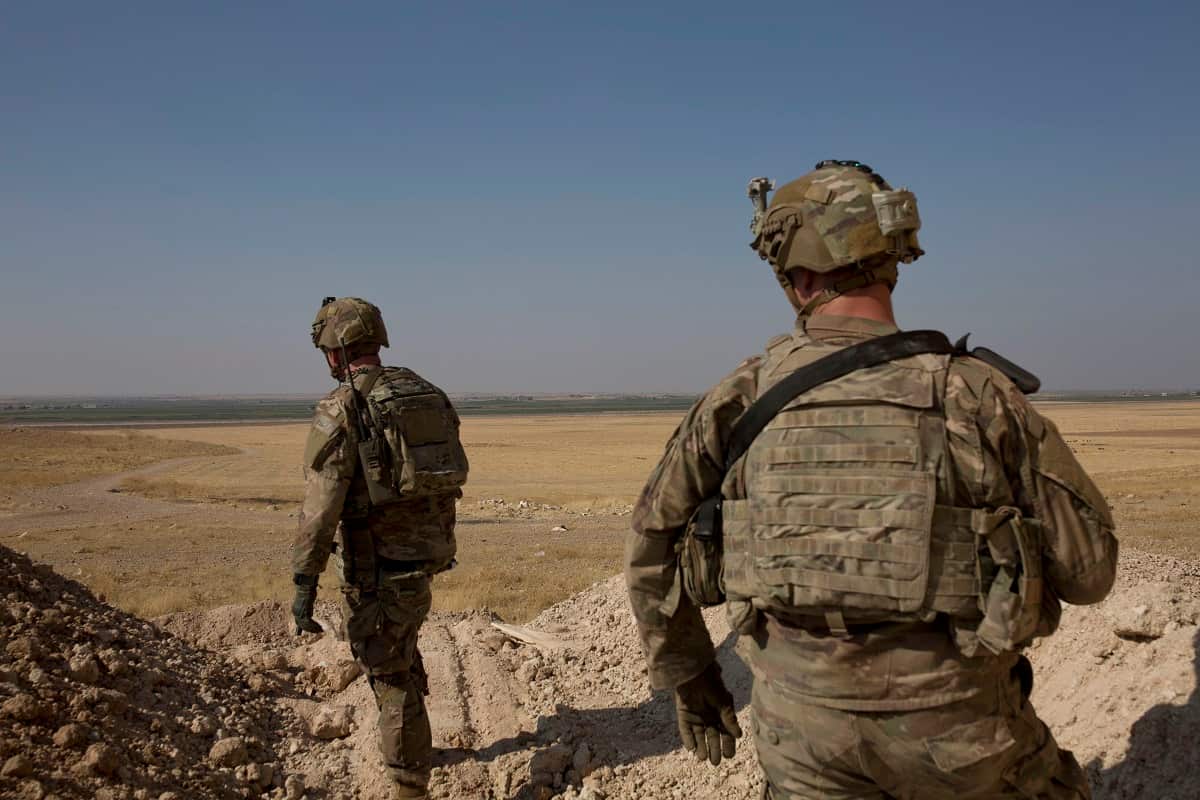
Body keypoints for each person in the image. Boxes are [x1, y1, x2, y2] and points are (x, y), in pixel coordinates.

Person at [625, 161, 1118, 799]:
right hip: (958, 736)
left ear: (795, 273)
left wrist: (691, 675)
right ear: (889, 261)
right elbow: (1090, 572)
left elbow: (650, 542)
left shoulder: (739, 396)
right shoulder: (972, 392)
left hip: (800, 736)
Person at [291, 296, 469, 800]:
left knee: (388, 672)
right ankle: (416, 742)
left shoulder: (344, 405)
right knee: (400, 648)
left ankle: (409, 785)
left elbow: (320, 508)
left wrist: (303, 581)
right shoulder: (424, 392)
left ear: (334, 350)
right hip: (423, 559)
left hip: (378, 567)